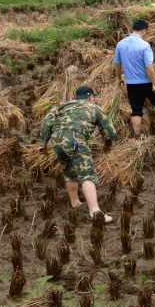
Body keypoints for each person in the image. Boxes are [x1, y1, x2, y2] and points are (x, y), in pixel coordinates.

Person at [38, 86, 117, 223]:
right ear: (90, 97)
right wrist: (107, 145)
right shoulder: (93, 107)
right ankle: (95, 212)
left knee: (69, 171)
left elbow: (46, 123)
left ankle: (75, 203)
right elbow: (110, 131)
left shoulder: (62, 105)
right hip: (74, 140)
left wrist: (42, 144)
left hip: (56, 140)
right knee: (87, 173)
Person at [113, 19, 155, 137]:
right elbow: (148, 66)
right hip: (147, 82)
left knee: (136, 111)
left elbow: (116, 64)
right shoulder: (145, 45)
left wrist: (119, 78)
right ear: (144, 30)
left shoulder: (121, 44)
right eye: (146, 31)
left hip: (131, 84)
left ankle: (137, 135)